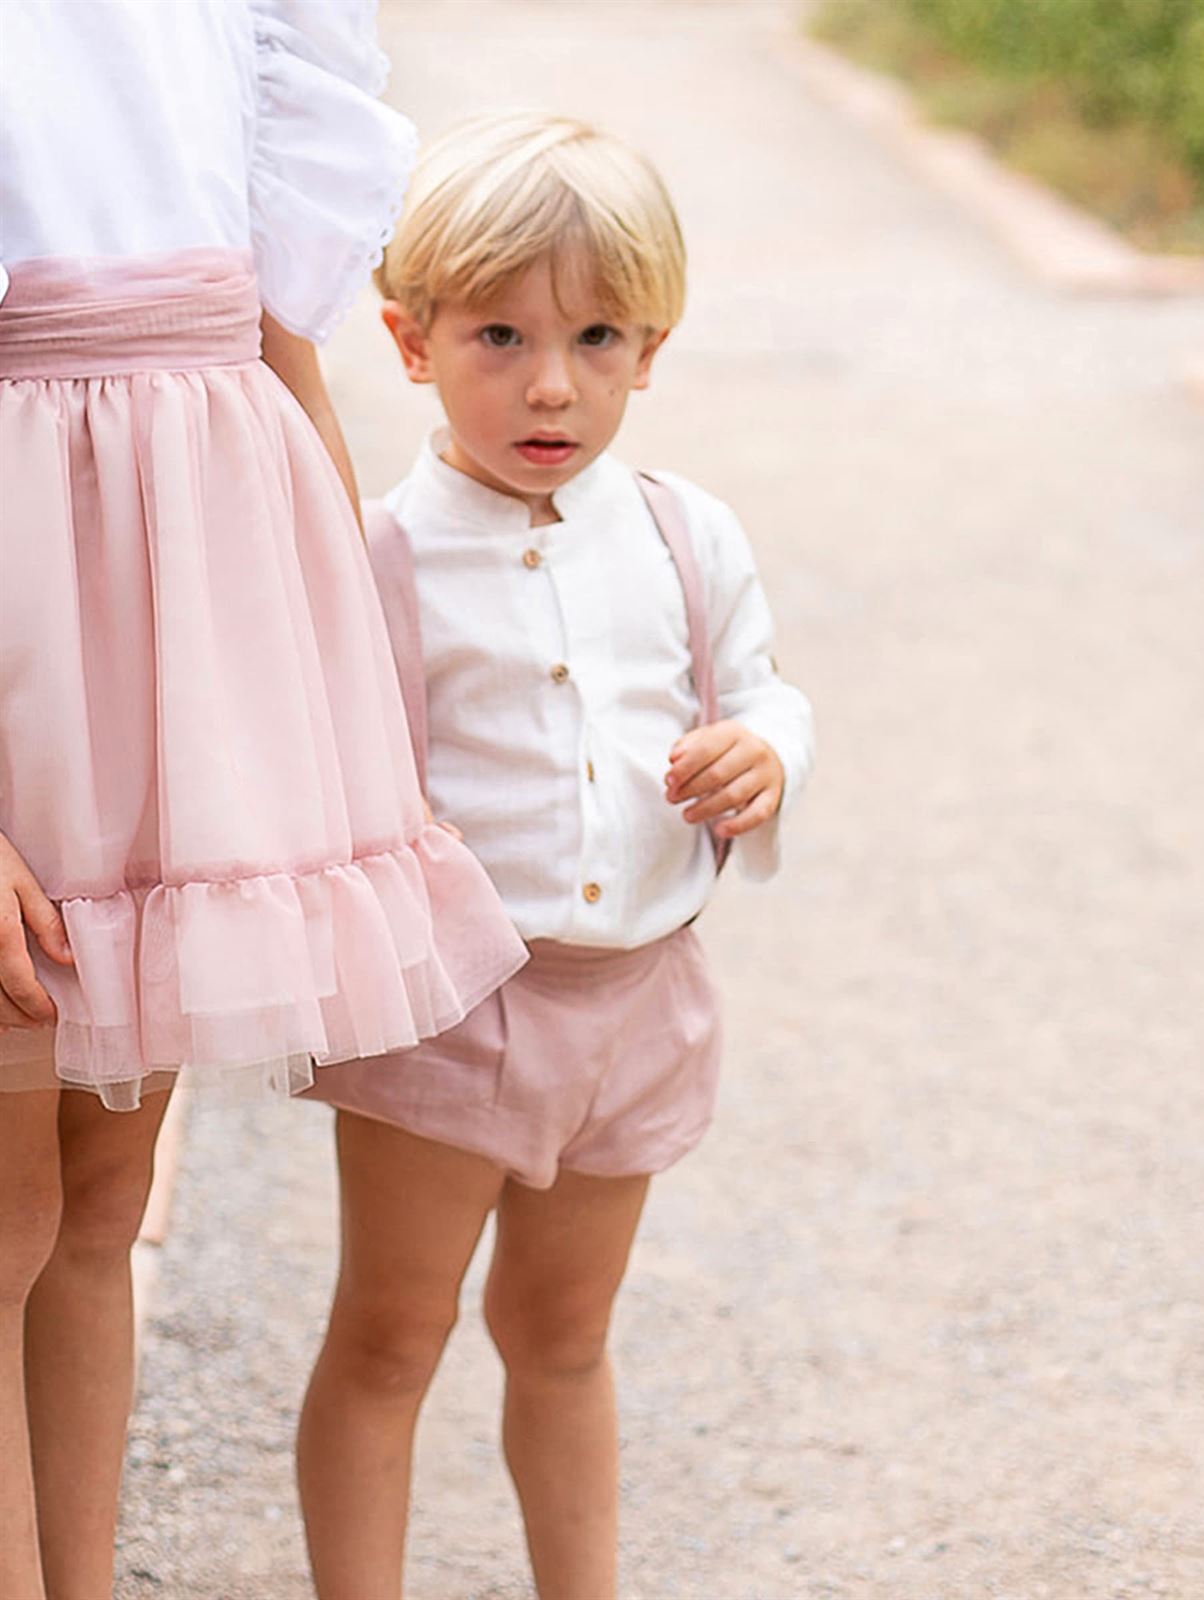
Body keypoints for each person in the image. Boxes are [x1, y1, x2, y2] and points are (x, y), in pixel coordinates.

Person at [0, 7, 526, 1597]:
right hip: (27, 625)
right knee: (7, 1210)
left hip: (189, 624)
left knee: (101, 1194)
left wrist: (338, 694)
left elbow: (277, 342)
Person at [299, 111, 816, 1600]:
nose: (550, 383)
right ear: (409, 339)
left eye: (597, 337)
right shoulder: (382, 551)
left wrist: (766, 755)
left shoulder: (679, 532)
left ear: (650, 346)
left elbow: (763, 683)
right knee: (391, 1336)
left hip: (637, 1007)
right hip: (451, 1016)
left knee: (565, 1336)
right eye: (499, 336)